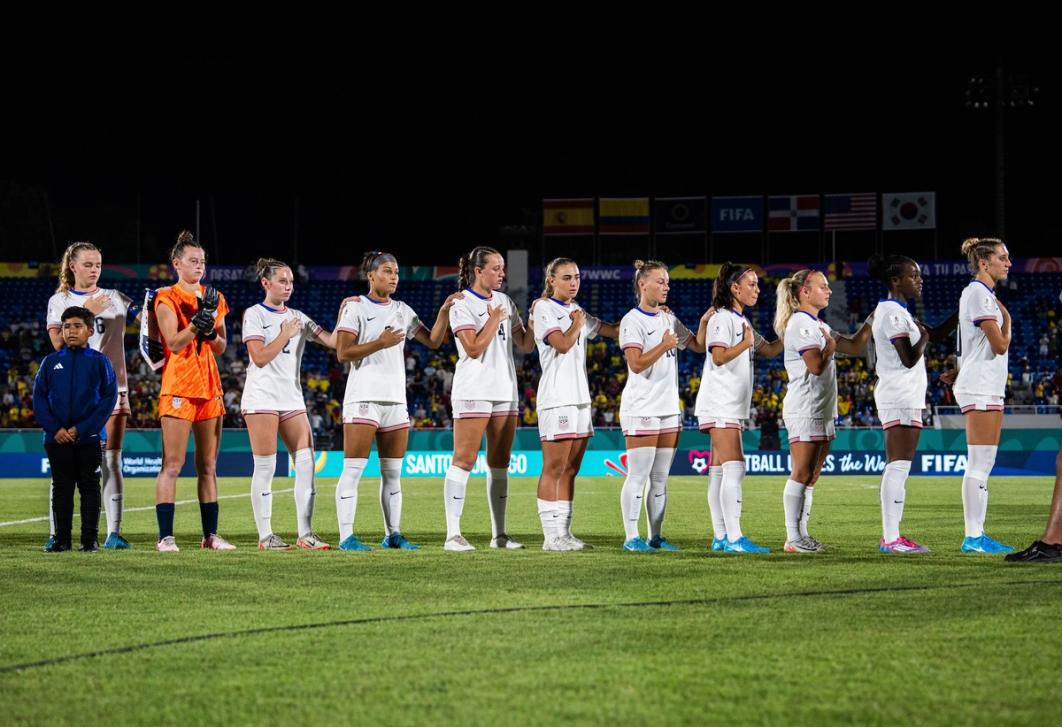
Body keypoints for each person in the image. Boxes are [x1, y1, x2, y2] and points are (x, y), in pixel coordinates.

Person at [334, 251, 460, 551]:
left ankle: (393, 534)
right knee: (353, 469)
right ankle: (346, 537)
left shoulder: (403, 310)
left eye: (397, 273)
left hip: (394, 401)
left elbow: (433, 341)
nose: (394, 277)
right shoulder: (355, 307)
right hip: (363, 398)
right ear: (371, 275)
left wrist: (443, 312)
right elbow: (342, 353)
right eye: (388, 271)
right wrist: (381, 341)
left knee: (392, 473)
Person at [242, 258, 343, 550]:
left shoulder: (299, 316)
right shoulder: (255, 314)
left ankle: (305, 533)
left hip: (291, 398)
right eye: (282, 281)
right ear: (266, 283)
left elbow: (333, 342)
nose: (288, 286)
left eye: (291, 282)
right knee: (265, 466)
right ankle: (265, 536)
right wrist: (285, 334)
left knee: (307, 462)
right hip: (261, 397)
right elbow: (259, 357)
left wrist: (346, 314)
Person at [442, 246, 535, 551]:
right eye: (495, 268)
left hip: (505, 391)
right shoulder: (461, 304)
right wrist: (495, 317)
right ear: (478, 271)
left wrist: (535, 319)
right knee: (464, 460)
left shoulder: (506, 300)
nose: (502, 274)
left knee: (499, 464)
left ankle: (500, 535)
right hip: (474, 390)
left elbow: (524, 344)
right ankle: (452, 535)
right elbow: (472, 348)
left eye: (503, 268)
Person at [45, 242, 135, 549]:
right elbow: (58, 344)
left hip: (114, 386)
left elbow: (149, 321)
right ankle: (57, 534)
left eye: (98, 264)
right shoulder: (59, 301)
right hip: (73, 391)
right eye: (88, 264)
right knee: (64, 465)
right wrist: (86, 312)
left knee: (112, 459)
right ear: (72, 266)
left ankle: (114, 533)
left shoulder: (116, 298)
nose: (94, 269)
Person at [775, 269, 872, 553]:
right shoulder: (801, 324)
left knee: (812, 475)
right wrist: (829, 349)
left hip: (821, 409)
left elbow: (855, 346)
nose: (828, 291)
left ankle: (802, 536)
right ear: (804, 291)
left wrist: (870, 320)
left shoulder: (819, 324)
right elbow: (816, 366)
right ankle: (793, 538)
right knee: (801, 472)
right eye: (823, 286)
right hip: (805, 408)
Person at [868, 254, 958, 554]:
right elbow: (908, 358)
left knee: (899, 466)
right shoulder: (894, 313)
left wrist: (962, 312)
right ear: (896, 280)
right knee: (898, 466)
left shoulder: (900, 313)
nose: (920, 280)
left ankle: (893, 537)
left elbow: (936, 334)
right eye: (913, 275)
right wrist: (925, 338)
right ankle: (891, 539)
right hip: (900, 394)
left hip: (903, 395)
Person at [152, 230, 234, 552]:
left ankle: (210, 536)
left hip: (209, 386)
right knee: (172, 464)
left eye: (202, 261)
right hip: (179, 386)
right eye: (192, 260)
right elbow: (172, 342)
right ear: (177, 263)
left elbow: (222, 346)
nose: (199, 266)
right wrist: (196, 325)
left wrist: (210, 330)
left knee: (209, 466)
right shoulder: (166, 297)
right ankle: (165, 537)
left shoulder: (216, 297)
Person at [618, 259, 707, 552]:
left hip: (669, 408)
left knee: (660, 479)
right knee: (638, 476)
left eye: (667, 282)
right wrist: (664, 346)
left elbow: (695, 344)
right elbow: (636, 364)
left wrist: (707, 319)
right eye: (660, 281)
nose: (666, 286)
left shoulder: (668, 318)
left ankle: (655, 537)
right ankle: (632, 537)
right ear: (643, 284)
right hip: (642, 407)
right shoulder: (632, 320)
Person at [531, 257, 619, 551]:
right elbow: (562, 344)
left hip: (580, 399)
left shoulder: (576, 311)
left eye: (577, 277)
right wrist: (577, 324)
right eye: (567, 277)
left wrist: (649, 311)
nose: (573, 283)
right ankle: (549, 537)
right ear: (551, 280)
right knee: (554, 467)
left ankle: (564, 533)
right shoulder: (544, 308)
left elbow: (612, 330)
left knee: (571, 469)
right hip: (557, 399)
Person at [696, 262, 782, 554]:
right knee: (735, 468)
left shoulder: (740, 320)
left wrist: (792, 328)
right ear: (734, 288)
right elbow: (719, 357)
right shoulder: (723, 318)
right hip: (721, 404)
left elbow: (769, 349)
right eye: (751, 284)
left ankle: (721, 537)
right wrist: (745, 343)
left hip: (727, 404)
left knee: (719, 471)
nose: (757, 289)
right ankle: (734, 538)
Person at [945, 238, 1014, 553]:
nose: (1008, 263)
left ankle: (977, 535)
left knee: (983, 462)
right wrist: (1009, 320)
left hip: (984, 383)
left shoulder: (980, 294)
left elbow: (974, 344)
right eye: (1002, 257)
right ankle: (973, 537)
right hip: (981, 385)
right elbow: (1000, 345)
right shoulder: (978, 294)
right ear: (984, 262)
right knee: (979, 463)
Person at [33, 306, 118, 552]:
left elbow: (108, 400)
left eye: (77, 326)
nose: (71, 331)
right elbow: (39, 398)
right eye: (67, 326)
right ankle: (61, 540)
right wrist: (55, 428)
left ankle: (89, 540)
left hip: (89, 438)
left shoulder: (101, 362)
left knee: (89, 488)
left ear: (90, 330)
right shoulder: (50, 362)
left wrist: (82, 429)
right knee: (61, 488)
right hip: (56, 438)